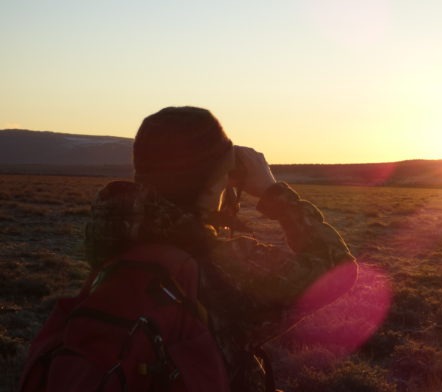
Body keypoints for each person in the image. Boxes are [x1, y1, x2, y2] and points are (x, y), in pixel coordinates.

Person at [84, 106, 358, 390]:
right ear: (215, 182)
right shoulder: (225, 268)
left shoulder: (111, 244)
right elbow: (337, 267)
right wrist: (273, 192)